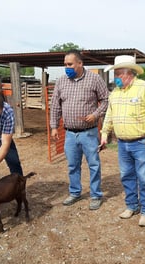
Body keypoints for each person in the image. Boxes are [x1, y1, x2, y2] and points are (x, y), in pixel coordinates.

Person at [100, 55, 145, 227]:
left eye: (117, 74)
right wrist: (104, 132)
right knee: (126, 176)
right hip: (122, 143)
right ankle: (131, 206)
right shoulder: (115, 93)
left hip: (142, 142)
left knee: (143, 177)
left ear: (126, 73)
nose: (115, 78)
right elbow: (109, 114)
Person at [50, 50, 109, 210]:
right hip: (69, 133)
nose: (66, 68)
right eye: (65, 65)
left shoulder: (94, 79)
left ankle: (96, 195)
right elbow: (55, 105)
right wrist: (54, 126)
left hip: (89, 132)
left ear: (80, 63)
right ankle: (75, 192)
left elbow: (105, 100)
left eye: (69, 64)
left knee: (94, 165)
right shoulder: (61, 82)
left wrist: (96, 114)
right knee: (72, 165)